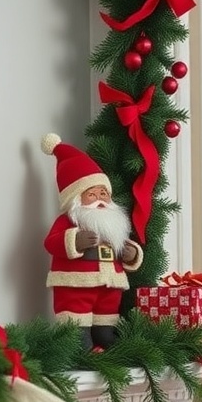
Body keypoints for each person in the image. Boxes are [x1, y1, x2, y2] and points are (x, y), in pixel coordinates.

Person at [41, 134, 143, 349]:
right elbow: (51, 243)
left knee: (106, 324)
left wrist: (132, 253)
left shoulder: (112, 222)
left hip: (109, 287)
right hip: (76, 285)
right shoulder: (69, 220)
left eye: (104, 193)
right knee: (77, 325)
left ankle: (105, 335)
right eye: (92, 194)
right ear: (76, 198)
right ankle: (80, 344)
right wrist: (75, 240)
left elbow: (124, 245)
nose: (100, 199)